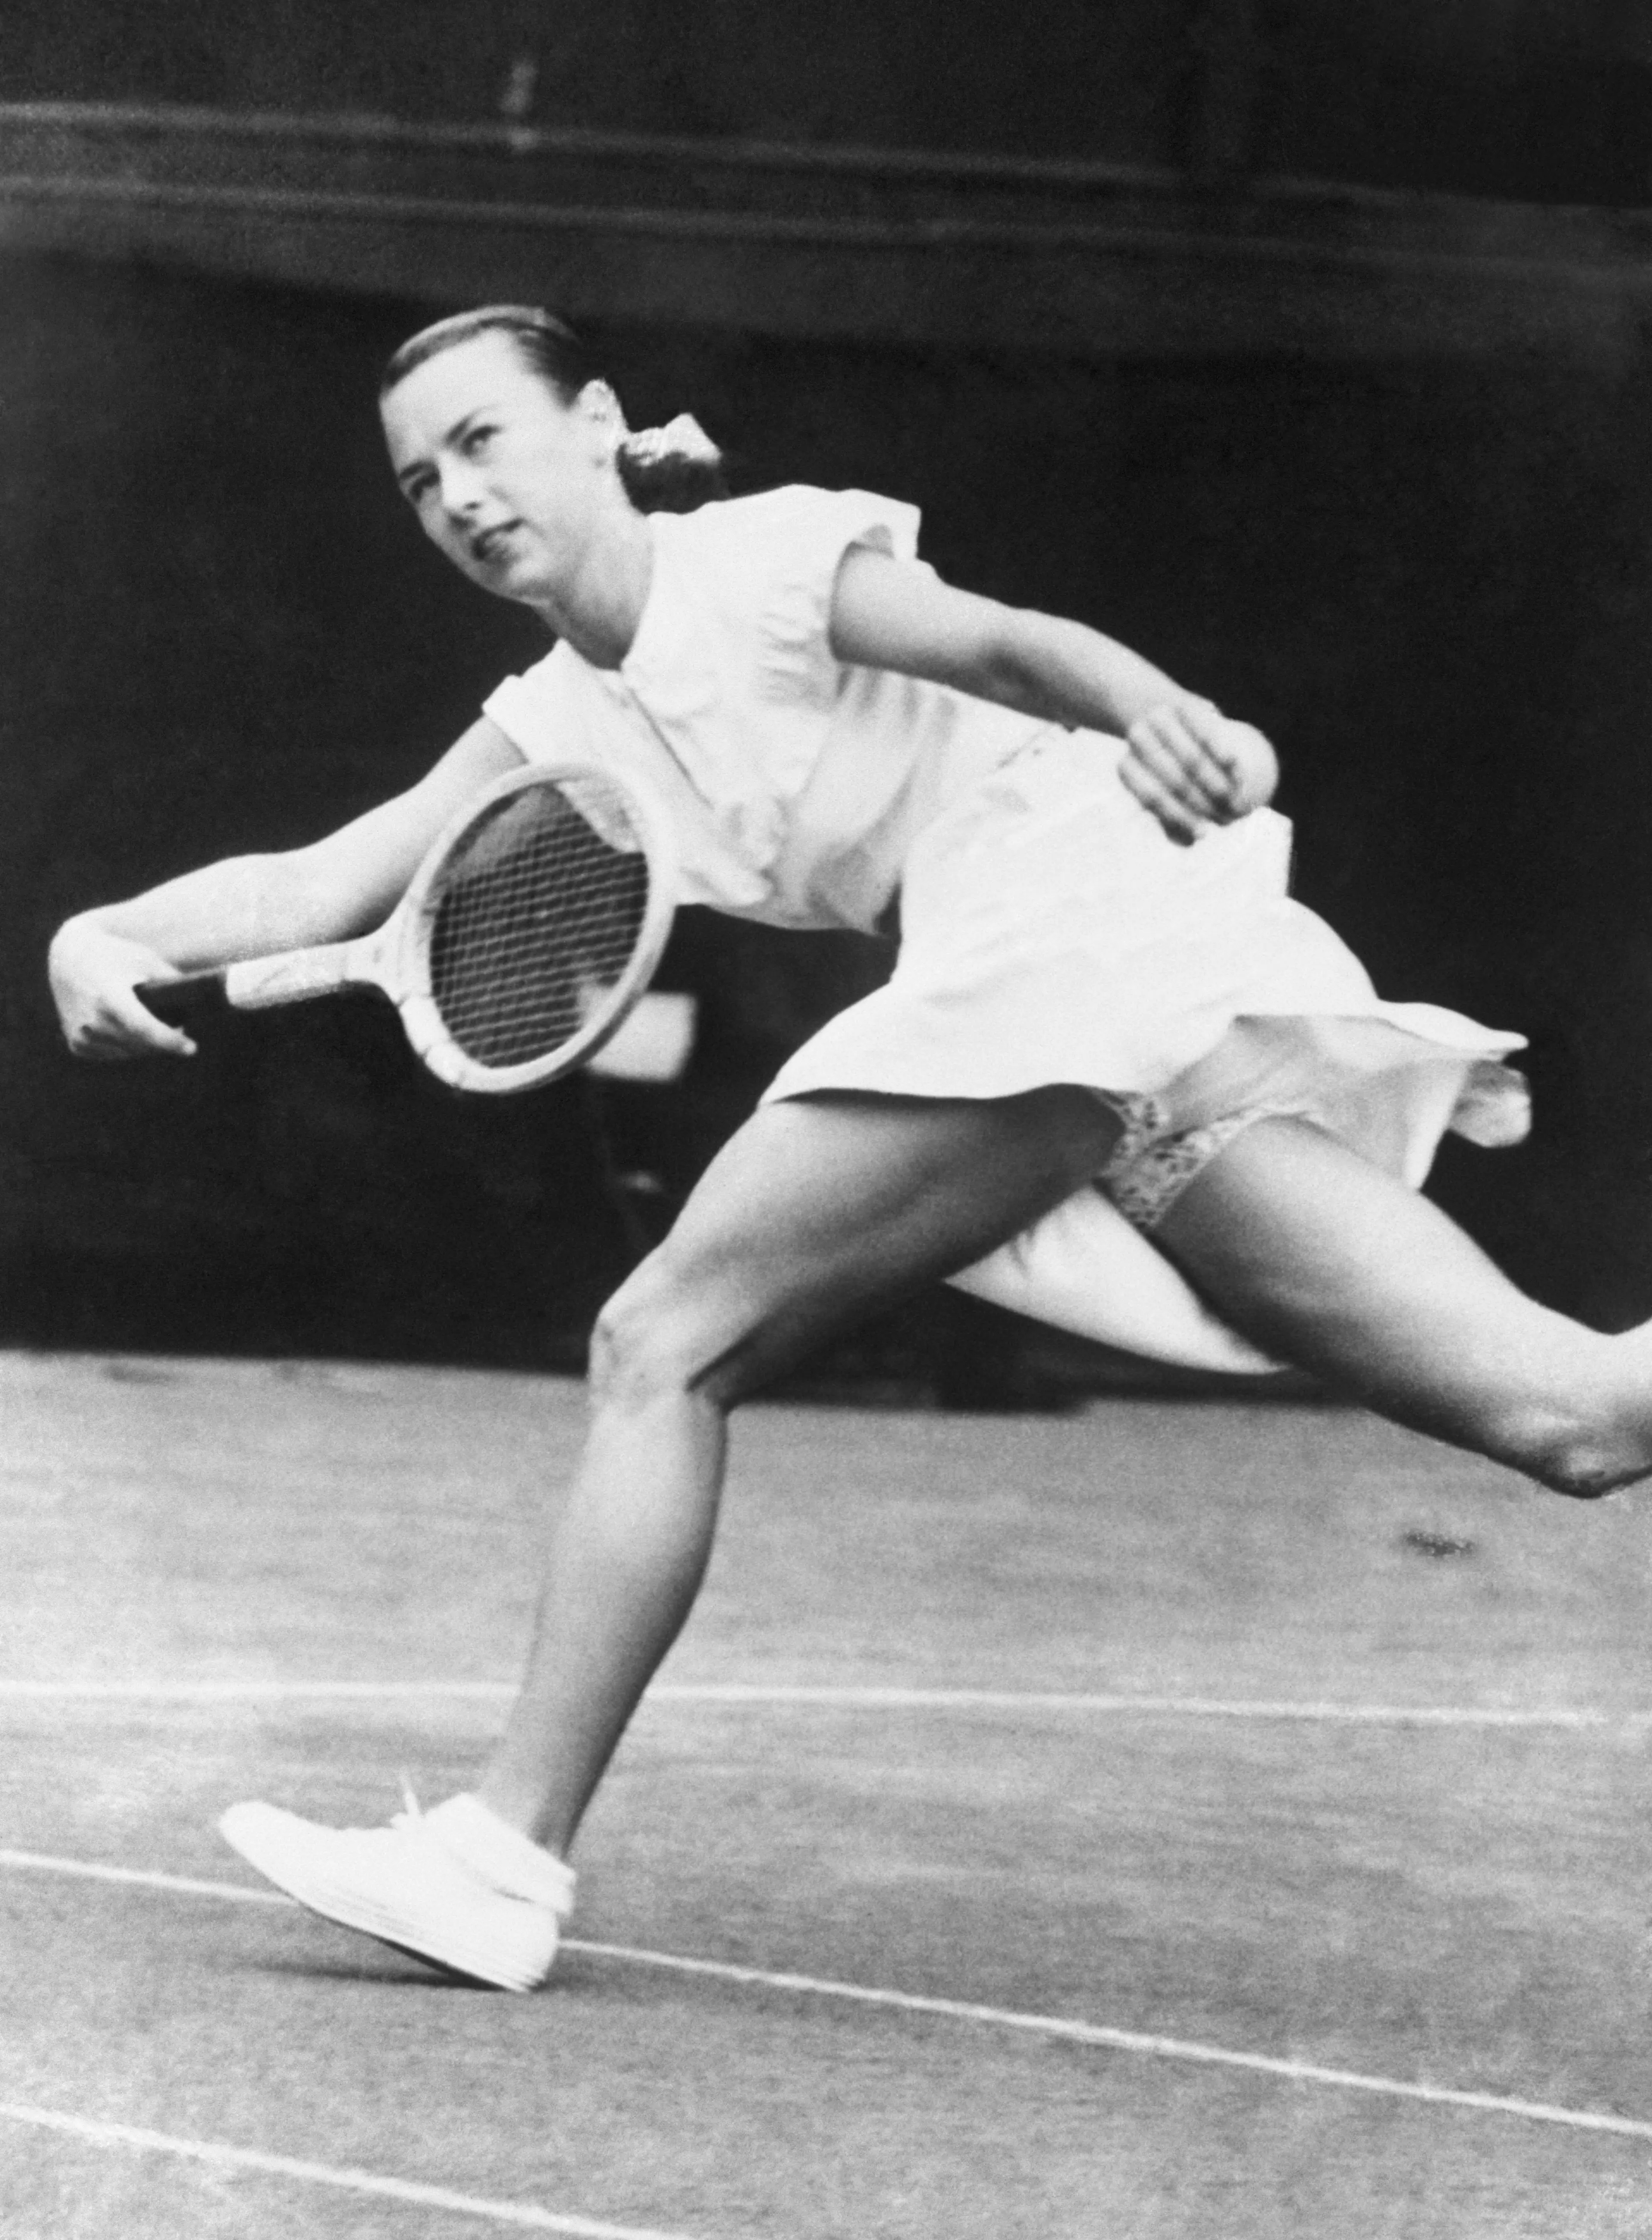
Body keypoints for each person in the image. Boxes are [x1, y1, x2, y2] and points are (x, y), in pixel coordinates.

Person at [46, 305, 1652, 1995]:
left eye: (484, 440)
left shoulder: (757, 561)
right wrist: (106, 926)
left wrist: (1157, 705)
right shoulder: (558, 714)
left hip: (1069, 921)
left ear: (596, 423)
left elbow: (1012, 644)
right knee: (1574, 1412)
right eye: (419, 475)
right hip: (1131, 1004)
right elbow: (325, 877)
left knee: (661, 1343)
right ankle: (497, 1855)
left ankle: (499, 1854)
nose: (455, 493)